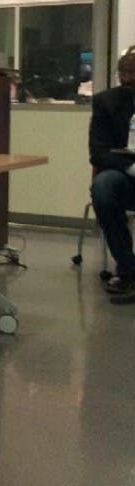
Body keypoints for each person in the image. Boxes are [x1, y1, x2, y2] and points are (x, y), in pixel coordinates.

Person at [90, 48, 135, 303]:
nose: (128, 79)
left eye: (133, 74)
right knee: (103, 187)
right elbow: (98, 153)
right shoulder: (106, 102)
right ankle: (128, 268)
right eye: (124, 73)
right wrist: (130, 167)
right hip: (124, 176)